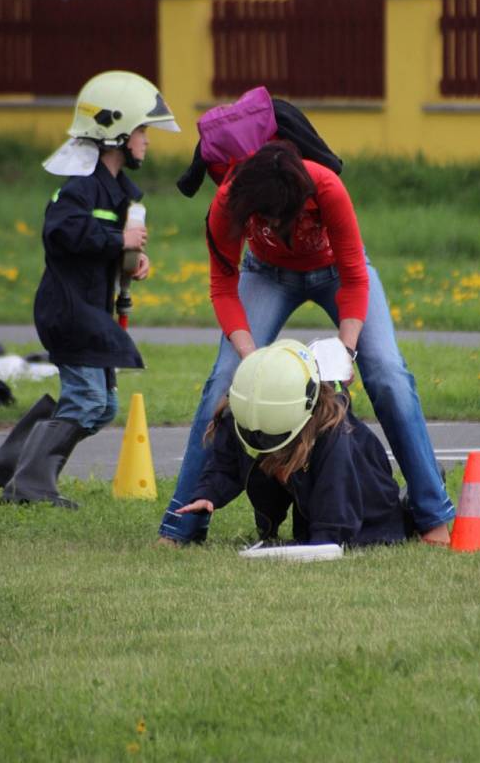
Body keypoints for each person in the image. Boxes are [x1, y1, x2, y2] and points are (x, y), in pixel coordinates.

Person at [159, 136, 454, 546]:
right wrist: (252, 360)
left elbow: (354, 275)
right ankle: (182, 525)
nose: (281, 228)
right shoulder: (228, 202)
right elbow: (223, 289)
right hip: (265, 274)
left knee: (388, 373)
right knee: (225, 379)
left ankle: (432, 517)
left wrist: (344, 352)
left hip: (335, 271)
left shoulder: (326, 186)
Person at [0, 70, 180, 508]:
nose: (147, 140)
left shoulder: (112, 191)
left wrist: (130, 259)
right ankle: (28, 486)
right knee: (88, 399)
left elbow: (99, 243)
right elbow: (61, 234)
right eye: (143, 130)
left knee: (101, 406)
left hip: (89, 309)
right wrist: (117, 242)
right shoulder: (80, 188)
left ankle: (9, 464)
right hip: (69, 311)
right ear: (117, 131)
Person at [176, 339, 409, 548]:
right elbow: (226, 463)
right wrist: (208, 494)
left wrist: (318, 544)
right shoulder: (246, 410)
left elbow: (335, 510)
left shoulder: (332, 435)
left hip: (370, 522)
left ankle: (413, 507)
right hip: (312, 514)